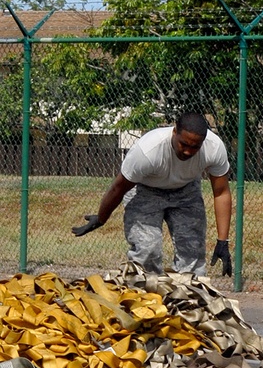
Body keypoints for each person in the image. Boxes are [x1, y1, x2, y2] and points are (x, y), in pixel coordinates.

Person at [73, 112, 233, 277]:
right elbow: (118, 188)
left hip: (186, 191)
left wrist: (223, 241)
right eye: (184, 144)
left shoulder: (214, 148)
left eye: (195, 147)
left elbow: (221, 192)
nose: (187, 152)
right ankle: (146, 297)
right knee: (147, 249)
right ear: (174, 131)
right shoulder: (148, 151)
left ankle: (188, 299)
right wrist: (101, 217)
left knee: (192, 252)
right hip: (145, 190)